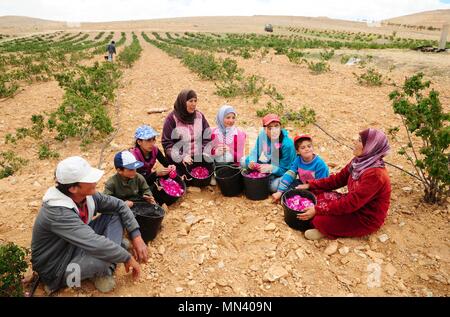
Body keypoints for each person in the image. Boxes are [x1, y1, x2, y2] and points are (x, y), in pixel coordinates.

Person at [31, 156, 148, 294]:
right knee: (104, 258)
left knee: (114, 214)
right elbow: (95, 243)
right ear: (73, 188)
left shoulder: (86, 196)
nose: (95, 181)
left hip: (77, 244)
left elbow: (119, 205)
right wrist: (126, 257)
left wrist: (136, 236)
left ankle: (111, 253)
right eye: (88, 179)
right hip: (58, 266)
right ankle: (105, 269)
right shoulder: (58, 213)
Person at [296, 128, 392, 240]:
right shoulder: (359, 162)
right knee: (316, 194)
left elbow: (351, 202)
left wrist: (317, 210)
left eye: (360, 140)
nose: (355, 141)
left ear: (370, 147)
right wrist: (312, 185)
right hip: (353, 204)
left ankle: (325, 231)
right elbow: (338, 179)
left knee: (318, 219)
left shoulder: (375, 175)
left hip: (364, 217)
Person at [161, 89, 211, 176]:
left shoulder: (199, 116)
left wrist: (203, 151)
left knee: (207, 170)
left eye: (195, 101)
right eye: (190, 101)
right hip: (180, 158)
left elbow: (207, 136)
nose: (194, 104)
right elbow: (167, 143)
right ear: (182, 102)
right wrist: (182, 156)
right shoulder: (172, 119)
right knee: (180, 176)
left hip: (198, 155)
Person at [243, 114, 296, 193]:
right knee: (244, 161)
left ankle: (284, 183)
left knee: (273, 187)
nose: (274, 130)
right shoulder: (262, 135)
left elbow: (286, 169)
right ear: (265, 129)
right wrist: (252, 161)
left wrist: (271, 168)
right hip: (271, 162)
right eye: (270, 128)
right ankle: (270, 178)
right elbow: (255, 151)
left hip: (285, 170)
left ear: (280, 127)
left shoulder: (287, 144)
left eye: (276, 126)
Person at [272, 134, 329, 202]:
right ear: (297, 151)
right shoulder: (298, 160)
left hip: (316, 187)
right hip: (302, 183)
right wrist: (280, 191)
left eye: (309, 146)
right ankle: (293, 197)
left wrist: (309, 186)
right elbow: (290, 174)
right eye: (303, 147)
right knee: (287, 187)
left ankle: (305, 200)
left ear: (313, 148)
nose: (307, 149)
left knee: (317, 199)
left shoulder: (319, 164)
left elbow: (322, 183)